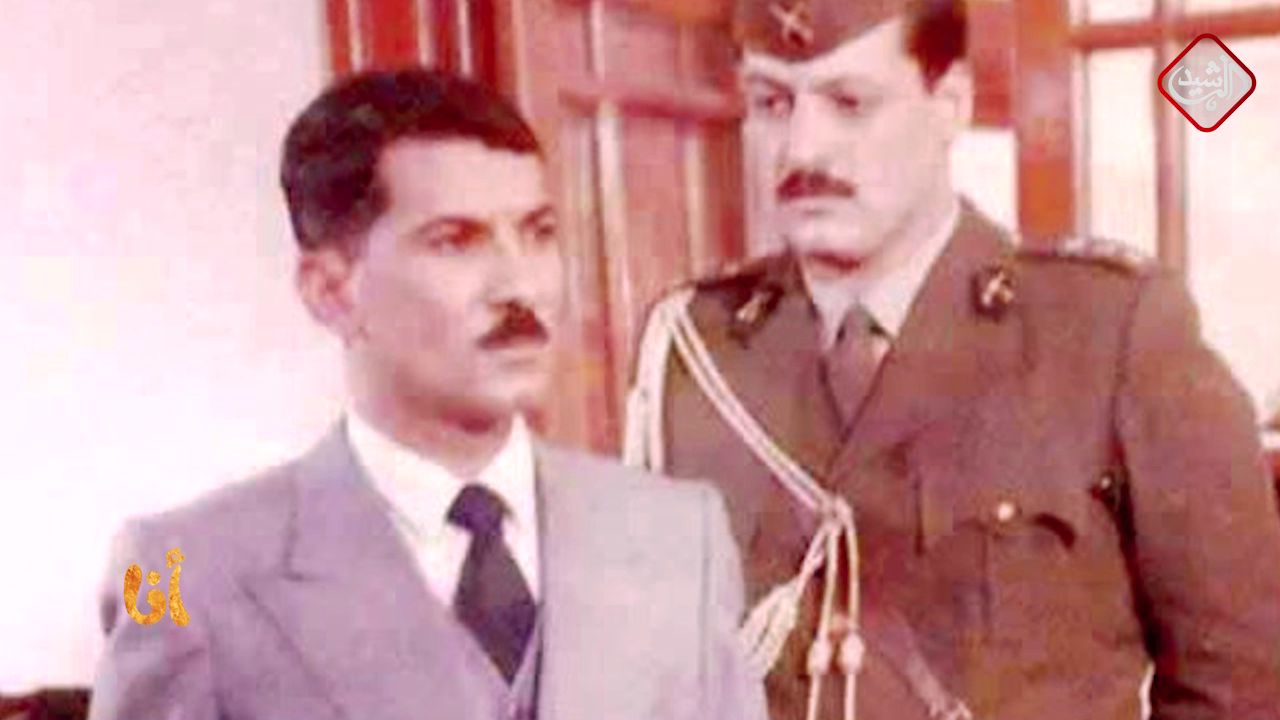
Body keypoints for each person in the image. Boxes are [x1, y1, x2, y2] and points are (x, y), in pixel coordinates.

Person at [623, 1, 1280, 719]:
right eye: (772, 102)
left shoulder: (1109, 334)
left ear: (950, 105)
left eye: (850, 103)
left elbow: (1240, 683)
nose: (803, 151)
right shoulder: (698, 350)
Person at [87, 68, 766, 720]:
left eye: (538, 234)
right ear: (331, 293)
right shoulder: (176, 572)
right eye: (455, 242)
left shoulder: (681, 538)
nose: (520, 287)